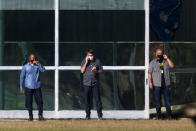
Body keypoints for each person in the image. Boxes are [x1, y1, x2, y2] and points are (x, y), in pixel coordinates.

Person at [149, 48, 174, 120]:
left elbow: (172, 66)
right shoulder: (152, 62)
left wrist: (167, 58)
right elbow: (149, 73)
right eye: (158, 53)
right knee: (157, 100)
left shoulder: (166, 61)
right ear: (156, 54)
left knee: (167, 101)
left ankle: (169, 116)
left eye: (161, 53)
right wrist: (150, 82)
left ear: (163, 54)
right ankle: (158, 115)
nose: (159, 54)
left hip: (166, 84)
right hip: (157, 84)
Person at [20, 53, 45, 121]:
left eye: (33, 57)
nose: (32, 59)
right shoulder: (25, 66)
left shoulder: (37, 65)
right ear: (29, 58)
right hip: (28, 86)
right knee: (29, 102)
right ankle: (30, 116)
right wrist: (21, 86)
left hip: (37, 86)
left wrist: (38, 63)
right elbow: (22, 77)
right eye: (31, 57)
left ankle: (40, 116)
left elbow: (43, 70)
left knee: (40, 101)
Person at [81, 49, 103, 120]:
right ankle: (87, 115)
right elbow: (82, 71)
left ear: (93, 55)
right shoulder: (84, 60)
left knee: (97, 100)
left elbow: (101, 71)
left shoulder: (97, 61)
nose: (90, 56)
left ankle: (100, 116)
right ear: (87, 55)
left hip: (95, 83)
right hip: (86, 83)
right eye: (88, 55)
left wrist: (96, 70)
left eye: (91, 55)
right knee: (87, 100)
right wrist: (86, 62)